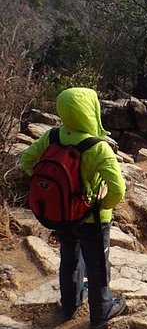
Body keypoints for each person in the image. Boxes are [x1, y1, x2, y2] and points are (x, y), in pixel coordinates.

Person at [20, 87, 127, 329]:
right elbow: (118, 189)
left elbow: (27, 161)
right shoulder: (98, 147)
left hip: (62, 216)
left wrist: (55, 193)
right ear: (92, 111)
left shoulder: (52, 137)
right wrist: (100, 205)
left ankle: (70, 305)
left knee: (69, 259)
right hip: (92, 220)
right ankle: (102, 312)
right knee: (98, 264)